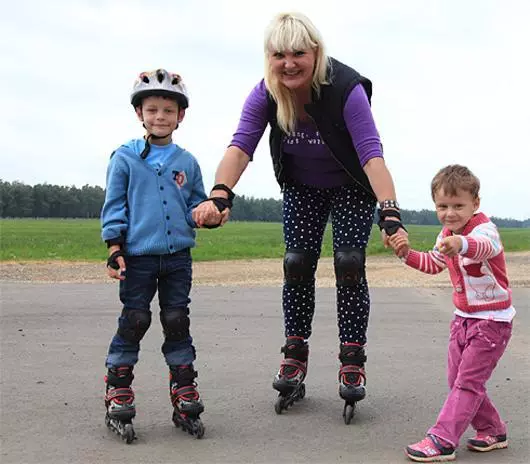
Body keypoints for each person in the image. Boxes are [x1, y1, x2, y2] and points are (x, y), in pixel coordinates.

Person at [192, 11, 407, 413]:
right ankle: (294, 356)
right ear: (268, 58)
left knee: (348, 263)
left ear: (315, 52)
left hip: (350, 187)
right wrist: (220, 194)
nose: (288, 63)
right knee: (296, 264)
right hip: (302, 186)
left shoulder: (345, 88)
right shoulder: (267, 93)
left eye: (297, 53)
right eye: (278, 54)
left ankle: (352, 360)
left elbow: (371, 154)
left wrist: (390, 211)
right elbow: (240, 146)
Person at [101, 69, 221, 440]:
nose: (160, 117)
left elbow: (197, 204)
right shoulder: (124, 158)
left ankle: (184, 390)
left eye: (168, 110)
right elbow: (115, 204)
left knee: (176, 320)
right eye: (152, 109)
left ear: (180, 116)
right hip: (137, 256)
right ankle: (118, 389)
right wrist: (114, 247)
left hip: (177, 258)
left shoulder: (187, 162)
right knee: (135, 319)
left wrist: (210, 213)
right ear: (140, 113)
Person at [388, 165, 514, 462]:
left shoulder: (484, 229)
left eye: (458, 206)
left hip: (492, 322)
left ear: (475, 204)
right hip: (463, 319)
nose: (450, 213)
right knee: (457, 378)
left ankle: (442, 439)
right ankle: (493, 430)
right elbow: (433, 264)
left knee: (467, 382)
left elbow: (485, 247)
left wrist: (461, 243)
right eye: (442, 206)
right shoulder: (445, 234)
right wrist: (405, 253)